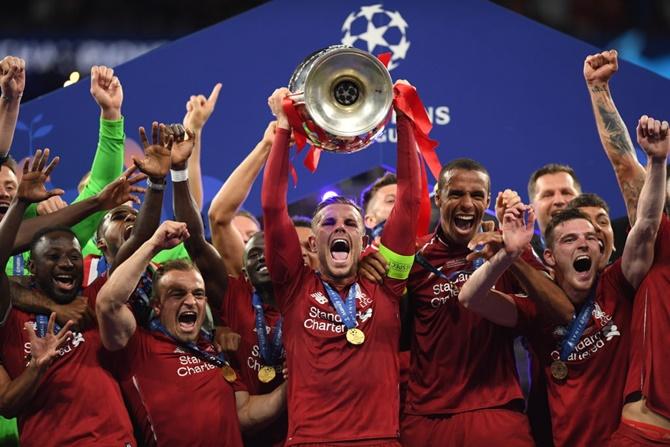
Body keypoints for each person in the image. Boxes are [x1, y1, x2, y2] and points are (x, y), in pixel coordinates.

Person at [458, 114, 668, 447]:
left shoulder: (618, 285)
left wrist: (657, 163)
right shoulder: (536, 308)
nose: (584, 242)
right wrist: (507, 256)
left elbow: (645, 227)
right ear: (550, 255)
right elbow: (470, 297)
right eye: (569, 240)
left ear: (603, 250)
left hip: (629, 437)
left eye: (591, 238)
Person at [262, 82, 421, 445]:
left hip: (378, 440)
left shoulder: (387, 283)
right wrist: (284, 127)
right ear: (313, 243)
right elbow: (273, 208)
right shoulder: (292, 286)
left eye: (350, 223)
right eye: (328, 223)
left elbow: (409, 202)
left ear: (364, 240)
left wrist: (405, 119)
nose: (340, 228)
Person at [400, 159, 552, 447]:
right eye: (456, 194)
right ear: (438, 197)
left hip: (496, 408)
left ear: (488, 201)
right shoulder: (414, 258)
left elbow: (553, 304)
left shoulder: (508, 247)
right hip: (427, 416)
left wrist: (514, 253)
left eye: (477, 195)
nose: (467, 204)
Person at [95, 221, 287, 446]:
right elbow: (108, 303)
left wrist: (289, 386)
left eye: (198, 294)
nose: (190, 301)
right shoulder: (137, 346)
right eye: (177, 294)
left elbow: (243, 413)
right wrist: (153, 245)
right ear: (157, 305)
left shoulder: (213, 352)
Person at [0, 150, 138, 446]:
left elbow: (133, 247)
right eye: (53, 256)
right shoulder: (9, 315)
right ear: (33, 267)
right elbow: (7, 404)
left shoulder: (90, 299)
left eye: (74, 257)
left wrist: (159, 184)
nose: (66, 263)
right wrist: (20, 203)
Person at [220, 230, 288, 446]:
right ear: (245, 274)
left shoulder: (312, 296)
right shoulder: (235, 298)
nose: (262, 257)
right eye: (254, 254)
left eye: (269, 252)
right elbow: (215, 221)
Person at [209, 120, 275, 277]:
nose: (245, 241)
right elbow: (218, 217)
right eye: (236, 235)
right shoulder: (235, 290)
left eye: (252, 235)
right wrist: (266, 145)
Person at [527, 163, 582, 255]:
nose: (559, 200)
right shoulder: (517, 258)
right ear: (533, 209)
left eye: (566, 193)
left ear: (582, 202)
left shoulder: (608, 246)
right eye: (548, 195)